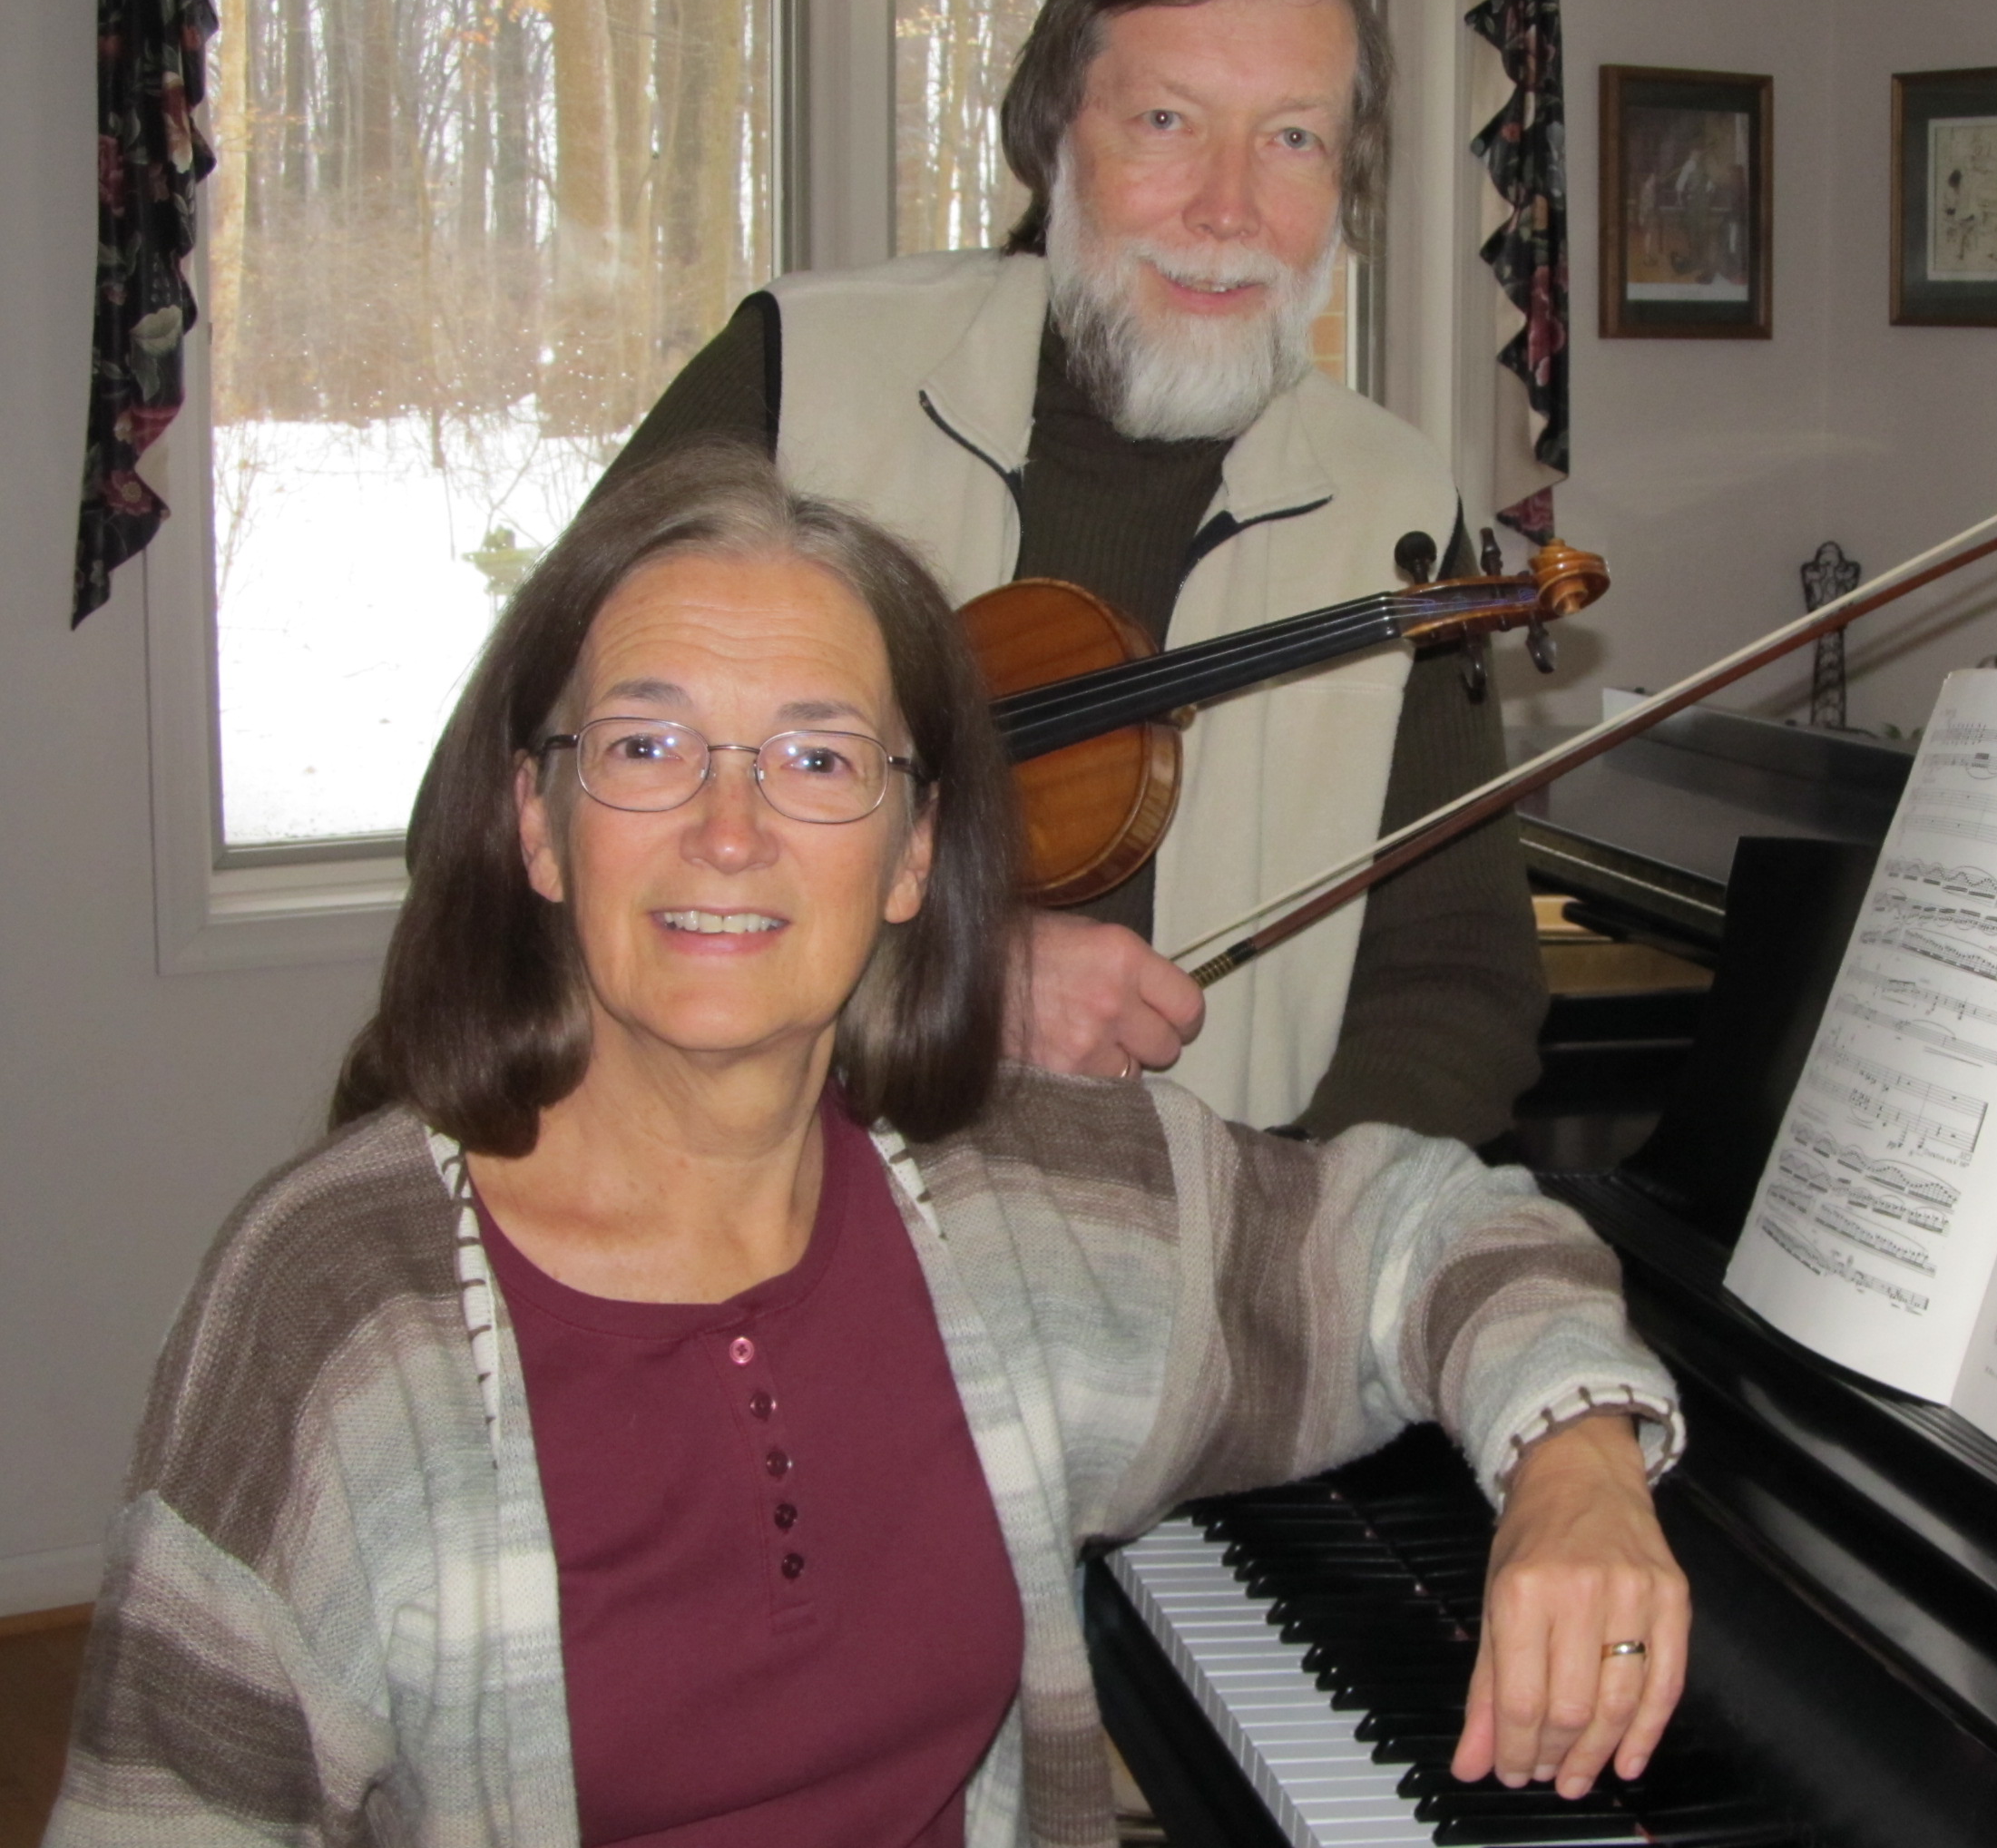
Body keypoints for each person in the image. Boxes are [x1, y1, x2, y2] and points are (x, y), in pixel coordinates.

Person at [47, 446, 1688, 1848]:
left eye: (820, 759)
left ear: (912, 857)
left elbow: (1424, 1230)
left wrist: (1579, 1469)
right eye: (647, 745)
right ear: (535, 824)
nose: (733, 827)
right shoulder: (335, 1306)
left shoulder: (1011, 1192)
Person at [604, 0, 1546, 1145]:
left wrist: (1279, 1233)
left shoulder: (1396, 505)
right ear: (1052, 139)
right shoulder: (793, 381)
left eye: (1293, 137)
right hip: (767, 1238)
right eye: (1164, 121)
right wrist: (947, 979)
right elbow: (506, 821)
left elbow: (1458, 972)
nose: (1228, 206)